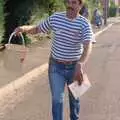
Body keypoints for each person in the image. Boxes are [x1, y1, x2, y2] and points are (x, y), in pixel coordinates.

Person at [14, 0, 93, 119]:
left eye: (74, 3)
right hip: (56, 67)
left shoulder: (84, 23)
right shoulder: (56, 18)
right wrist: (23, 28)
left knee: (75, 99)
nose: (70, 5)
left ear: (80, 5)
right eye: (69, 2)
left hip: (75, 68)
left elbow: (88, 45)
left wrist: (80, 64)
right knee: (57, 100)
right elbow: (37, 28)